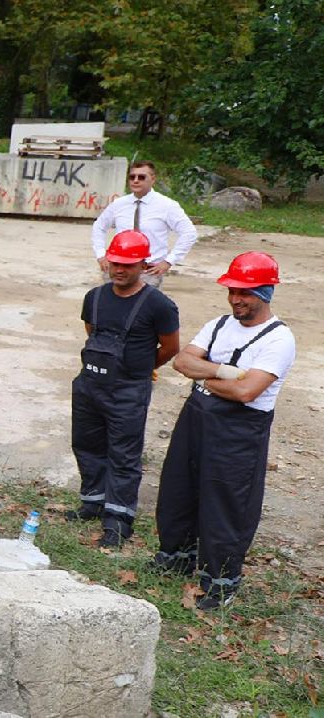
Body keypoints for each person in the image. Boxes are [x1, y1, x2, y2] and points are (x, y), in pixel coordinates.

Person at [154, 252, 295, 610]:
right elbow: (182, 361)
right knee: (179, 486)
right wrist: (228, 373)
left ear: (266, 292)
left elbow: (248, 392)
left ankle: (221, 579)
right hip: (197, 419)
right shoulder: (219, 324)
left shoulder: (278, 340)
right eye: (231, 290)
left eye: (244, 292)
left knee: (227, 502)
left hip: (239, 432)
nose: (235, 299)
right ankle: (176, 553)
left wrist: (206, 374)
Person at [67, 230, 180, 548]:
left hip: (128, 391)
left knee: (123, 455)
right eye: (115, 263)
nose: (119, 269)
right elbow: (92, 332)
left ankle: (118, 520)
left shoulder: (159, 305)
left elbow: (171, 347)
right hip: (89, 385)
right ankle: (93, 501)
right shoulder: (95, 297)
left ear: (144, 264)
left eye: (128, 264)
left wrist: (142, 368)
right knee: (87, 445)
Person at [90, 161, 198, 287]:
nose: (136, 181)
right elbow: (99, 226)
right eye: (132, 177)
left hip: (148, 273)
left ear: (152, 179)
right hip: (118, 271)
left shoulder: (167, 205)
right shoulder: (119, 204)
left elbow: (189, 232)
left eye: (141, 177)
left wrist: (169, 261)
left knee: (143, 306)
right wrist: (101, 255)